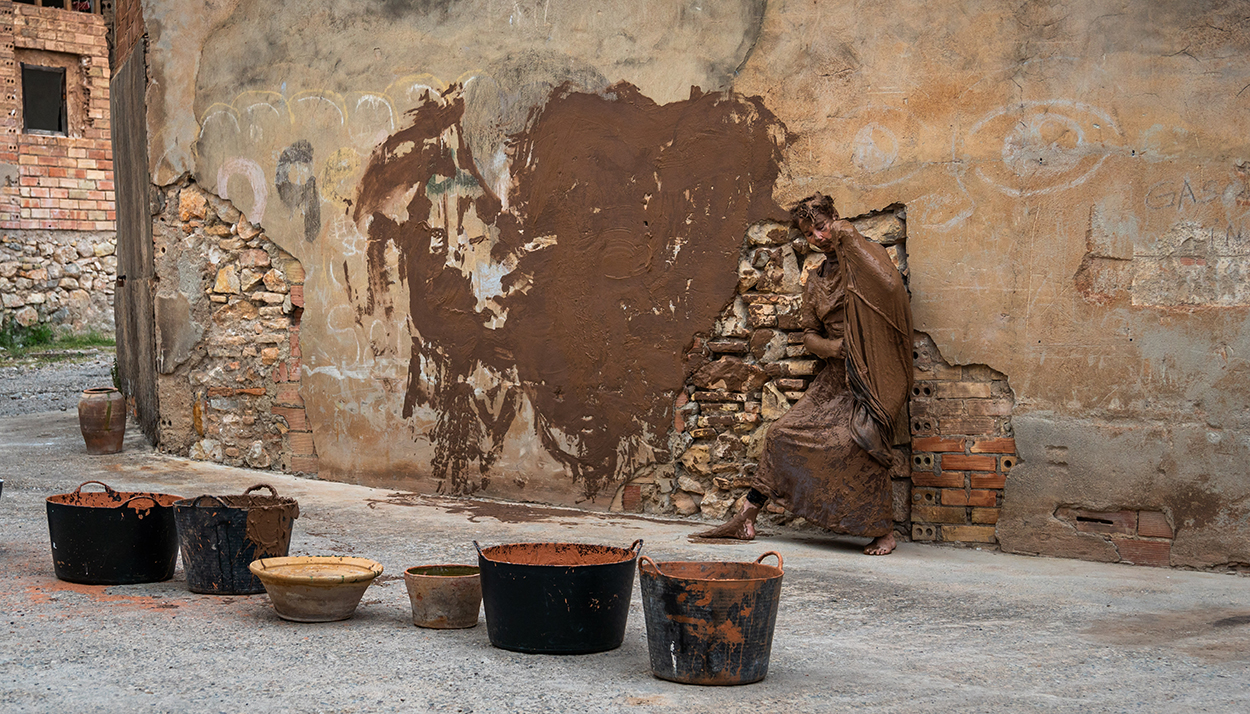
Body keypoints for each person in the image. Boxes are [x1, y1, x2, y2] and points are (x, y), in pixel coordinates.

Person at [694, 193, 914, 555]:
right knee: (780, 433)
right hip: (835, 379)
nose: (818, 238)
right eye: (809, 234)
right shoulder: (814, 281)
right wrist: (834, 348)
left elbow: (890, 288)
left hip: (872, 376)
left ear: (836, 220)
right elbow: (810, 335)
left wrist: (847, 236)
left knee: (862, 440)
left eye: (823, 227)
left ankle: (883, 532)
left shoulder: (867, 255)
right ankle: (746, 518)